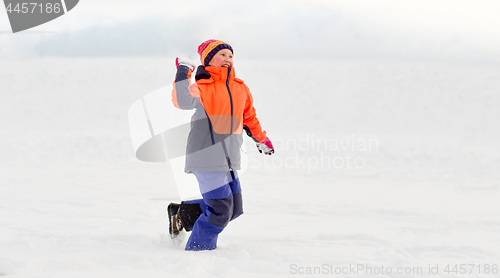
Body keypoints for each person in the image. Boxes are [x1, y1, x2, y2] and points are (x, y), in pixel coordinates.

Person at [168, 39, 274, 251]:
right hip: (206, 156)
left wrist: (261, 139)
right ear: (208, 60)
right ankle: (199, 253)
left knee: (233, 209)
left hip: (230, 158)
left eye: (230, 56)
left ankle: (181, 214)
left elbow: (249, 117)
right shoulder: (203, 86)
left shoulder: (240, 87)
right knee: (220, 211)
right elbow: (182, 100)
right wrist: (184, 70)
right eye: (222, 55)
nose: (227, 59)